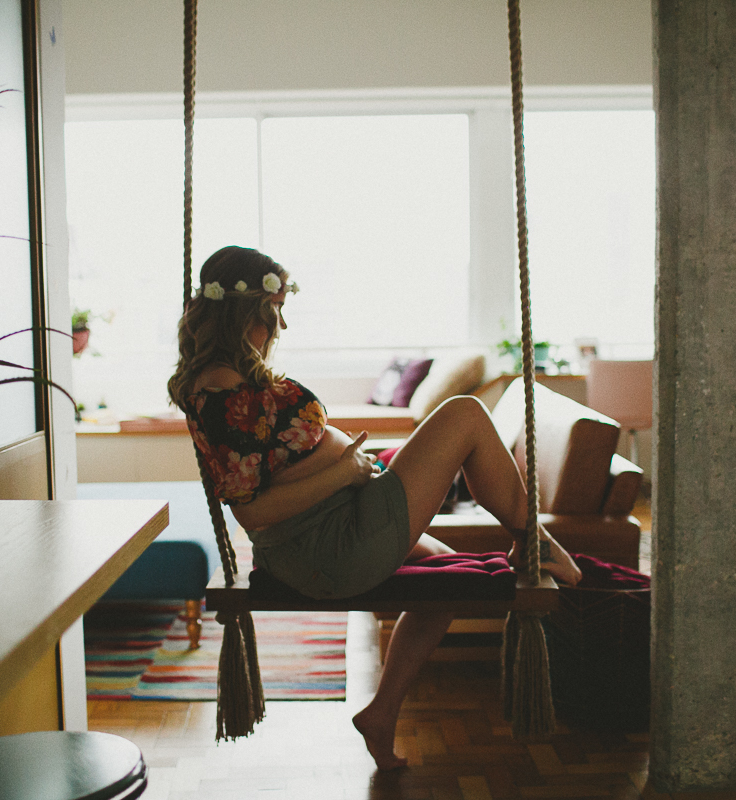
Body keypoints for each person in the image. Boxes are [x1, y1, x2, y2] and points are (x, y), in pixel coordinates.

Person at [168, 245, 582, 770]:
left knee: (442, 578)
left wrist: (353, 468)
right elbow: (253, 513)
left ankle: (381, 714)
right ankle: (538, 541)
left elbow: (280, 463)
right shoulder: (222, 388)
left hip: (335, 523)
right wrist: (346, 470)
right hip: (329, 545)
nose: (280, 326)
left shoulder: (227, 377)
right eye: (272, 313)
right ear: (243, 314)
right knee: (467, 415)